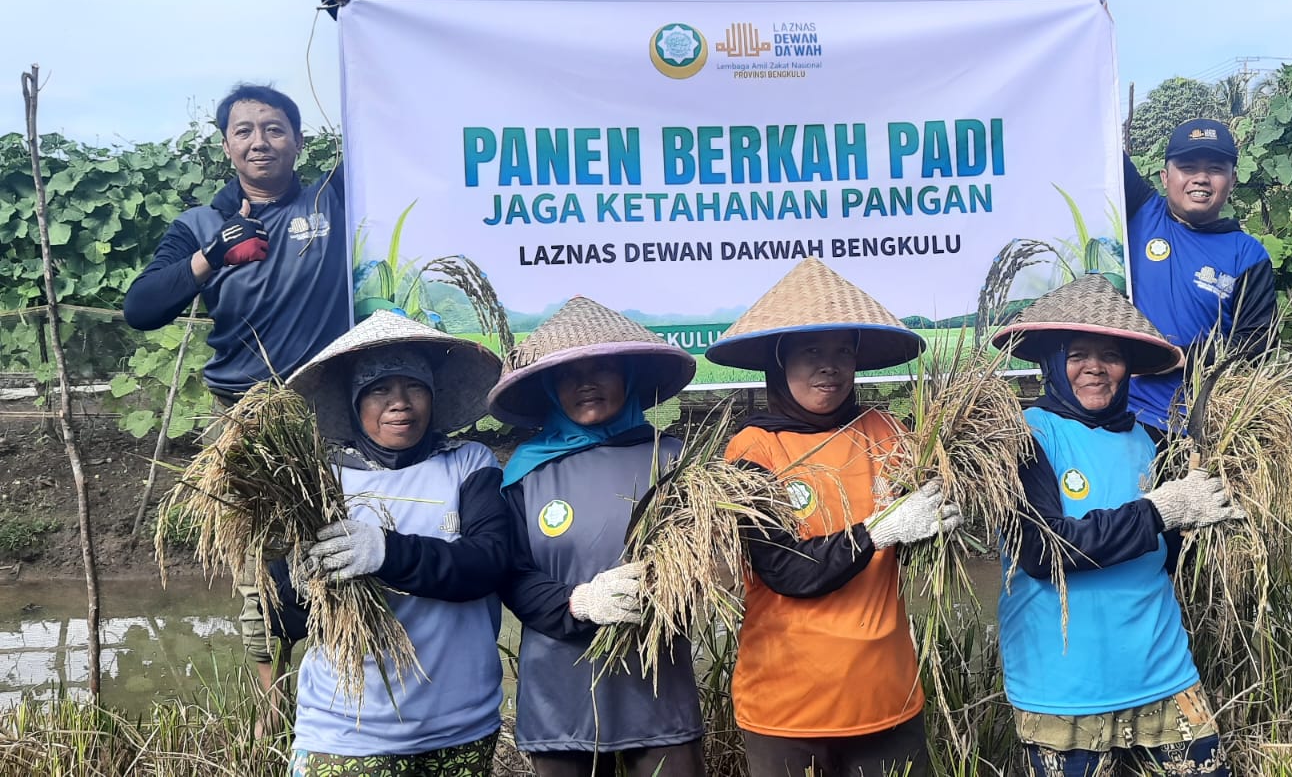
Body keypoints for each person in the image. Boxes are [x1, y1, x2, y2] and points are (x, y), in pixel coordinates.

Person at [123, 82, 349, 702]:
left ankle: (341, 693)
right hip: (244, 419)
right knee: (261, 564)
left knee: (342, 545)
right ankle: (271, 709)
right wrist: (211, 257)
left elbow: (387, 127)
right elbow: (141, 308)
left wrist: (363, 38)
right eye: (244, 130)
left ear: (298, 142)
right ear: (226, 146)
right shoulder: (200, 224)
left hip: (332, 411)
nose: (260, 141)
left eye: (275, 129)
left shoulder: (333, 200)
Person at [704, 257, 962, 777]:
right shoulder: (753, 449)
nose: (831, 366)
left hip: (885, 694)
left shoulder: (887, 432)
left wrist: (948, 503)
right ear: (778, 362)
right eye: (812, 352)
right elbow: (787, 570)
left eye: (844, 351)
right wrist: (880, 531)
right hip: (787, 707)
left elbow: (934, 520)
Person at [989, 275, 1244, 777]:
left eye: (1111, 355)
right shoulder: (1022, 439)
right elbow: (1042, 551)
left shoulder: (1153, 441)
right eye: (1077, 354)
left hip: (1163, 673)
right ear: (1050, 362)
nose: (1095, 368)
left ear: (1128, 367)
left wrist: (1212, 519)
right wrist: (1158, 512)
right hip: (1063, 689)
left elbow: (1170, 555)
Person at [268, 311, 510, 776]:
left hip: (460, 724)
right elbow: (287, 619)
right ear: (354, 401)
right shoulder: (319, 481)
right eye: (379, 389)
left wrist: (385, 551)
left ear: (433, 395)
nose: (400, 403)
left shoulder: (468, 464)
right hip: (344, 729)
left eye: (414, 386)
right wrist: (298, 581)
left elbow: (489, 562)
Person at [488, 296, 707, 777]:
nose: (586, 383)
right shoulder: (525, 473)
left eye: (602, 368)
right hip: (561, 696)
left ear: (628, 377)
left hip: (657, 689)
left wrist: (662, 588)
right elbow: (512, 575)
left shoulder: (674, 461)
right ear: (549, 388)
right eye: (568, 374)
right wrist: (580, 603)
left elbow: (705, 565)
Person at [1123, 119, 1276, 435]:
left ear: (1232, 181)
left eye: (1215, 169)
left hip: (1196, 429)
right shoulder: (1140, 210)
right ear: (1165, 176)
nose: (1201, 178)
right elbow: (1098, 142)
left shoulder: (1247, 254)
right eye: (1187, 167)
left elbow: (1259, 341)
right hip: (1122, 417)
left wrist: (1182, 357)